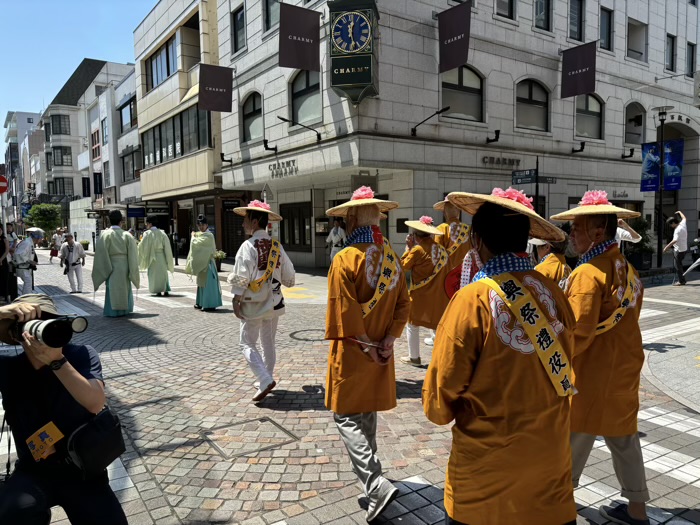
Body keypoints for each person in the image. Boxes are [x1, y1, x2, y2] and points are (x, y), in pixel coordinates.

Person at [424, 188, 577, 525]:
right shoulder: (554, 291)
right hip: (550, 474)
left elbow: (437, 404)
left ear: (477, 242)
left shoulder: (471, 299)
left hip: (485, 486)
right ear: (526, 240)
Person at [551, 190, 649, 525]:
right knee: (624, 438)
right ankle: (637, 510)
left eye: (576, 228)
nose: (571, 235)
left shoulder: (587, 274)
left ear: (597, 232)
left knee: (575, 437)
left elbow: (576, 334)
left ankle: (560, 503)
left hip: (591, 375)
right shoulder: (629, 270)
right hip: (625, 370)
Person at [0, 295, 128, 525]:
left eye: (49, 320)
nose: (43, 329)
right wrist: (5, 312)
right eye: (33, 323)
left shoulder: (79, 354)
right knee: (12, 513)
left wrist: (57, 361)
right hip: (33, 470)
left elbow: (95, 402)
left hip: (83, 470)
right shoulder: (8, 368)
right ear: (15, 334)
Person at [325, 186, 410, 523]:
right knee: (367, 415)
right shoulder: (392, 257)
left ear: (350, 218)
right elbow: (404, 304)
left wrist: (365, 345)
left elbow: (342, 309)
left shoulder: (345, 258)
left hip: (354, 351)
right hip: (382, 352)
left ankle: (375, 484)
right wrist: (388, 340)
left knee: (346, 416)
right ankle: (371, 483)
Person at [228, 201, 295, 402]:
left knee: (246, 342)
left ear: (254, 221)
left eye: (245, 220)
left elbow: (241, 276)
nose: (243, 225)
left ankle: (264, 378)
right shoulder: (277, 246)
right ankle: (267, 378)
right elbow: (289, 276)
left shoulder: (247, 247)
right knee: (268, 343)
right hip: (274, 302)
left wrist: (236, 299)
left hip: (253, 303)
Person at [399, 216, 448, 366]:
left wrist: (408, 248)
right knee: (438, 326)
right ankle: (442, 359)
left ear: (415, 236)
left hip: (420, 295)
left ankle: (414, 358)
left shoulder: (417, 250)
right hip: (439, 295)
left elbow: (402, 267)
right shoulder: (442, 250)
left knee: (412, 325)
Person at [427, 197, 473, 347]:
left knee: (444, 306)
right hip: (465, 274)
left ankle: (441, 335)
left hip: (445, 276)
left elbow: (437, 256)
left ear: (445, 211)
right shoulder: (468, 229)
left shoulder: (440, 230)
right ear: (458, 211)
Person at [92, 210, 140, 317]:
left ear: (109, 221)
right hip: (124, 265)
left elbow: (101, 255)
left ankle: (112, 310)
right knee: (125, 287)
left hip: (111, 265)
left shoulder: (105, 235)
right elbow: (133, 255)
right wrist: (133, 270)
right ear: (121, 221)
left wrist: (105, 268)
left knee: (112, 287)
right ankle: (124, 310)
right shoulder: (127, 235)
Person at [185, 215, 222, 311]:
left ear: (207, 225)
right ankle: (201, 302)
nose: (201, 227)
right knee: (201, 284)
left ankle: (209, 304)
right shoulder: (201, 235)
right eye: (199, 225)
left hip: (208, 263)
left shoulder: (209, 236)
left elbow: (195, 244)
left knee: (207, 284)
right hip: (202, 262)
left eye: (203, 225)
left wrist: (193, 236)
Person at [138, 216, 174, 297]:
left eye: (147, 223)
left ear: (150, 224)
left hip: (152, 256)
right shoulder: (162, 233)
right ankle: (165, 289)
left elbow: (143, 246)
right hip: (161, 256)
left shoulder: (147, 234)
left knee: (154, 274)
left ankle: (157, 290)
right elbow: (167, 247)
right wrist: (168, 259)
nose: (146, 225)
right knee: (163, 273)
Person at [663, 211, 688, 286]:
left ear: (674, 222)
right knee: (679, 264)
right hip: (684, 249)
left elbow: (675, 240)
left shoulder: (677, 230)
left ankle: (681, 281)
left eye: (671, 224)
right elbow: (684, 218)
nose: (671, 226)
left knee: (677, 266)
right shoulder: (682, 224)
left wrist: (666, 247)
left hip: (679, 250)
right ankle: (682, 280)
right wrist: (680, 212)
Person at [14, 232, 41, 296]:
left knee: (28, 282)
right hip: (22, 266)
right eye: (40, 238)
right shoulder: (27, 243)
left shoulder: (29, 242)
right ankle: (26, 298)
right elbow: (19, 254)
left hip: (25, 266)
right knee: (28, 282)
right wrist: (30, 261)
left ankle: (27, 297)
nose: (41, 240)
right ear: (36, 238)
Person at [0, 225, 10, 303]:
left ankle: (4, 296)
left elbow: (7, 250)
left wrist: (0, 259)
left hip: (3, 261)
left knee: (3, 279)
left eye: (0, 230)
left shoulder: (4, 239)